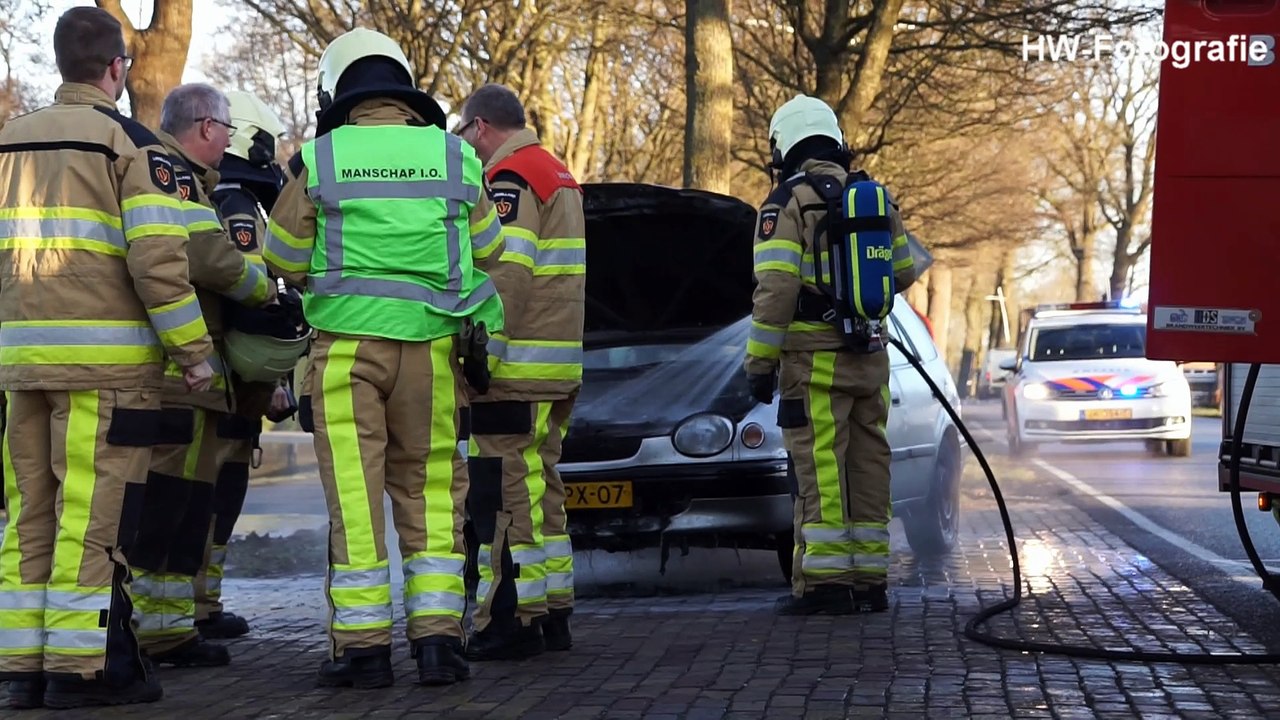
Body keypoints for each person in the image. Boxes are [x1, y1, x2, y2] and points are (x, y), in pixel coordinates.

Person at [263, 27, 527, 689]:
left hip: (347, 355)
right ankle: (439, 643)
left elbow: (282, 258)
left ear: (339, 92)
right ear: (403, 89)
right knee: (432, 493)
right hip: (433, 355)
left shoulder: (320, 159)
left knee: (356, 500)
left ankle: (363, 652)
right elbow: (490, 249)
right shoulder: (454, 156)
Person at [0, 6, 214, 709]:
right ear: (117, 69)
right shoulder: (130, 146)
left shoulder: (8, 141)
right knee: (91, 522)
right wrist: (194, 353)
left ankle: (20, 668)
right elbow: (159, 264)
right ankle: (78, 671)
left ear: (60, 62)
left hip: (20, 367)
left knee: (29, 516)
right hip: (105, 373)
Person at [743, 95, 917, 615]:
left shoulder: (786, 203)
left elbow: (774, 292)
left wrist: (759, 365)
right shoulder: (875, 197)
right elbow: (903, 272)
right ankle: (870, 580)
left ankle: (825, 584)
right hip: (870, 357)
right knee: (869, 465)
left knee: (820, 467)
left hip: (813, 362)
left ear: (784, 145)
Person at [127, 83, 276, 668]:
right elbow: (210, 259)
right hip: (180, 372)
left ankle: (167, 622)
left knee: (184, 496)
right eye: (226, 131)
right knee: (176, 496)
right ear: (208, 128)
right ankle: (162, 629)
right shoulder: (178, 178)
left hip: (177, 368)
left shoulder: (175, 173)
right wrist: (267, 293)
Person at [454, 84, 585, 660]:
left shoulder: (509, 179)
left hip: (513, 371)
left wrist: (480, 357)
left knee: (502, 498)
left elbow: (506, 274)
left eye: (464, 132)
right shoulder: (556, 173)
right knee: (542, 493)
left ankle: (509, 620)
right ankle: (552, 611)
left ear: (480, 127)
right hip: (554, 366)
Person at [192, 89, 300, 641]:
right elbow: (255, 288)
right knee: (216, 489)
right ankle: (200, 605)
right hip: (228, 377)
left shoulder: (204, 192)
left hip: (214, 370)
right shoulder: (237, 203)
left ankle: (197, 602)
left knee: (206, 489)